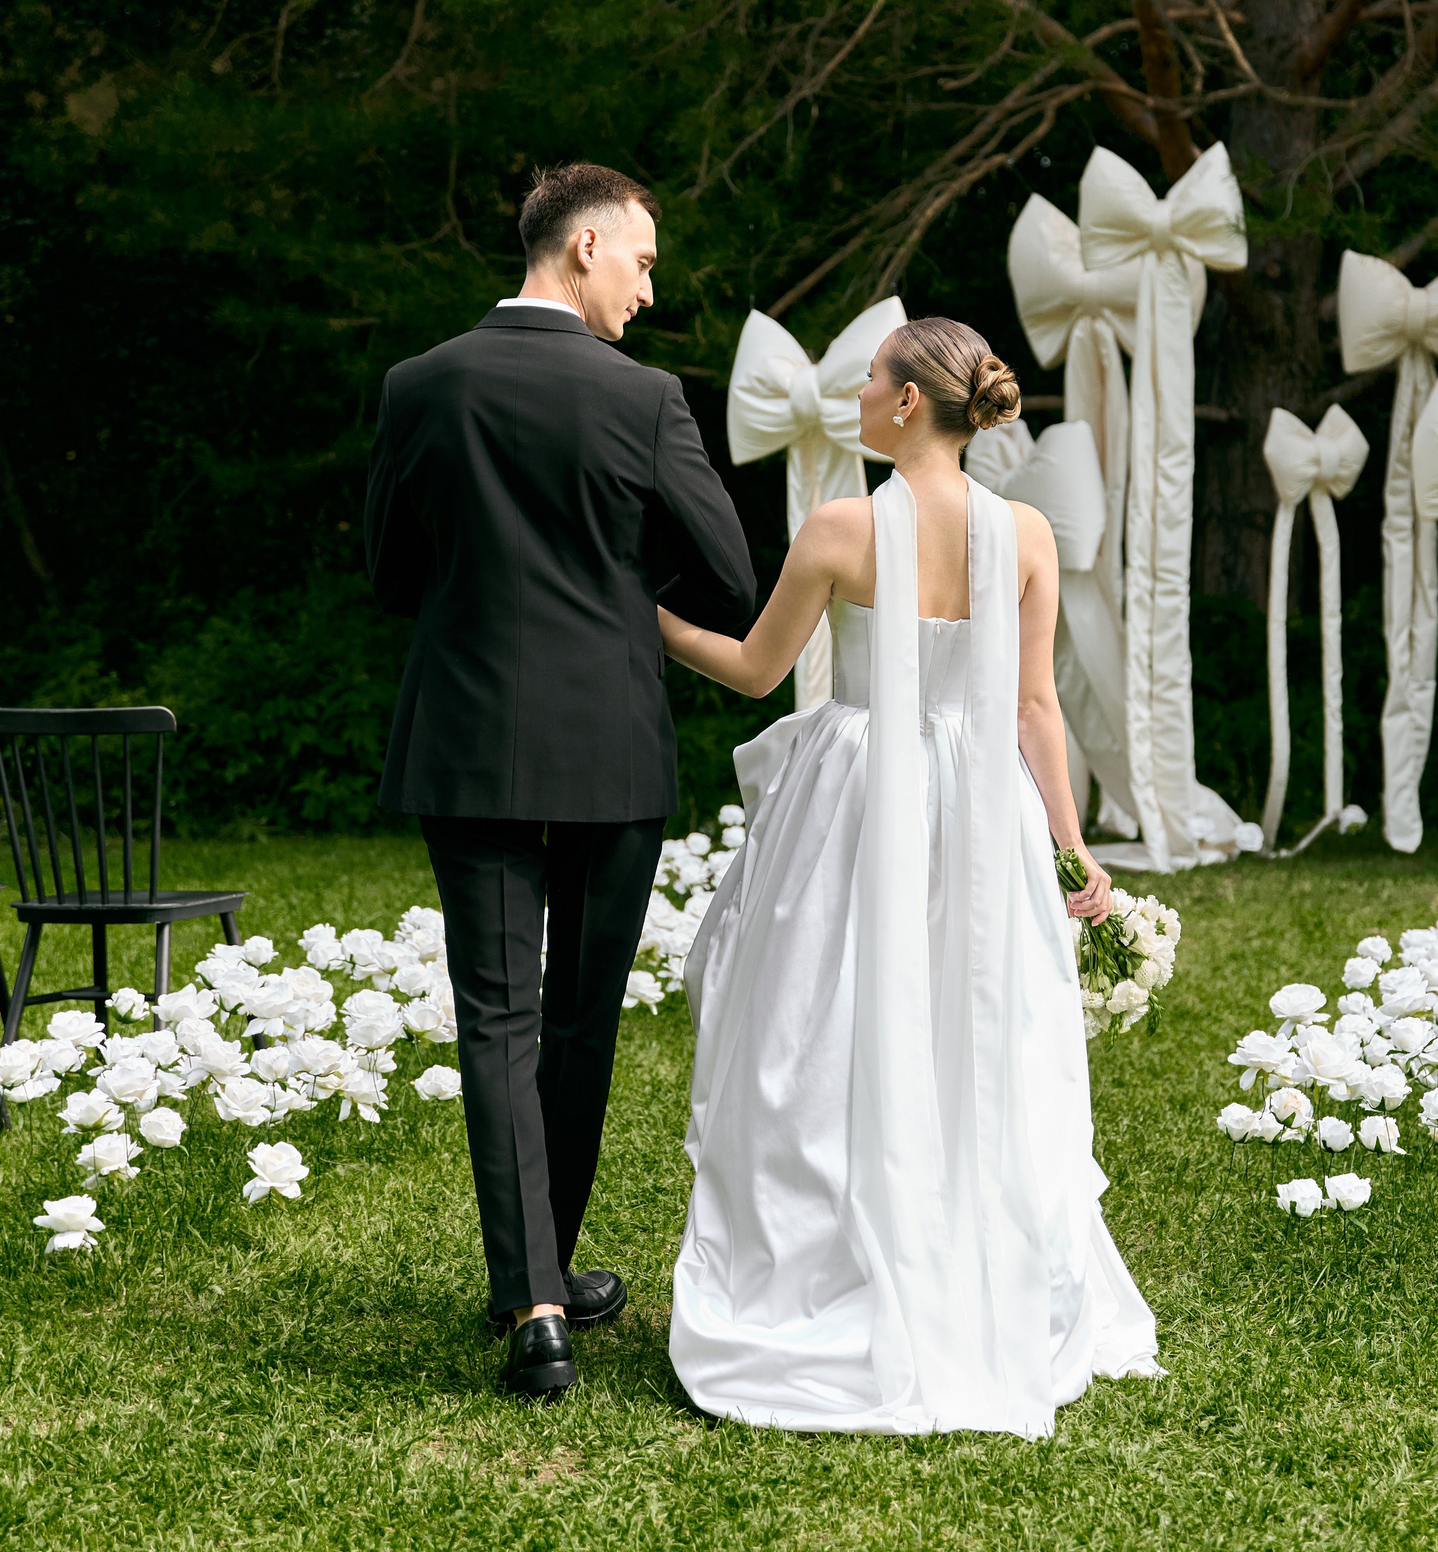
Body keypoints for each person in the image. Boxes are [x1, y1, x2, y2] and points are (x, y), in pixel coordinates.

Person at [657, 318, 1163, 1436]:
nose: (854, 391)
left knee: (820, 1020)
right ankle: (967, 1242)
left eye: (867, 376)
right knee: (970, 1020)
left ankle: (824, 1258)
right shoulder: (1024, 532)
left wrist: (652, 624)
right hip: (981, 799)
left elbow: (752, 672)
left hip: (856, 790)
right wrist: (1073, 847)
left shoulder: (841, 528)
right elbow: (1036, 710)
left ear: (900, 404)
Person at [364, 162, 757, 1402]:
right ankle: (546, 1266)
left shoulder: (420, 386)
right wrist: (615, 587)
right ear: (583, 246)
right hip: (610, 747)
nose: (649, 290)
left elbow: (388, 570)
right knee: (580, 1018)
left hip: (468, 740)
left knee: (498, 1017)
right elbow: (732, 578)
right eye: (642, 262)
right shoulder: (645, 401)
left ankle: (535, 1295)